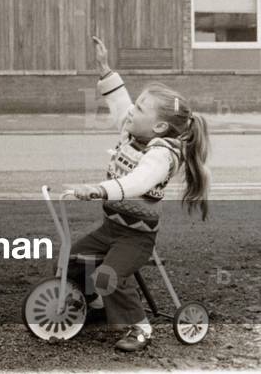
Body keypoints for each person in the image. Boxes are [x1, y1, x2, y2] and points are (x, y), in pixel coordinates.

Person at [65, 35, 211, 352]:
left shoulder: (163, 157)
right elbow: (120, 104)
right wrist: (105, 69)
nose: (132, 111)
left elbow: (137, 183)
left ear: (158, 128)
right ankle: (92, 304)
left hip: (136, 237)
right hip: (111, 229)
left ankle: (139, 327)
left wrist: (98, 190)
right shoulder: (132, 131)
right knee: (71, 259)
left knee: (108, 277)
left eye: (140, 108)